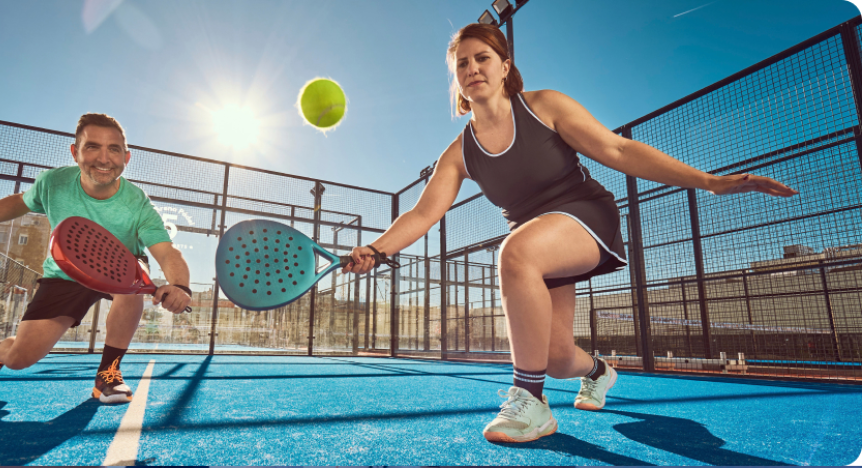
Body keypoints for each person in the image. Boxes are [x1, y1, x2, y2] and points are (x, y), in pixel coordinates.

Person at [342, 24, 798, 443]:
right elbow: (423, 213)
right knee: (557, 358)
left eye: (482, 58)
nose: (472, 68)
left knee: (514, 253)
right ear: (456, 80)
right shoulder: (459, 153)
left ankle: (531, 402)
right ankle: (598, 371)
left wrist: (710, 182)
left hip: (585, 215)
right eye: (462, 64)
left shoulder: (544, 106)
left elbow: (618, 149)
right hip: (538, 242)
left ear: (504, 67)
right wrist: (376, 250)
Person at [0, 113, 193, 404]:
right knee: (20, 358)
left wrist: (180, 286)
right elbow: (19, 203)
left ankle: (108, 374)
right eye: (92, 147)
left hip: (119, 271)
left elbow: (166, 251)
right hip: (64, 275)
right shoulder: (54, 182)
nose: (104, 158)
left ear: (126, 158)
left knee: (132, 287)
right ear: (75, 152)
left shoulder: (137, 203)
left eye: (114, 149)